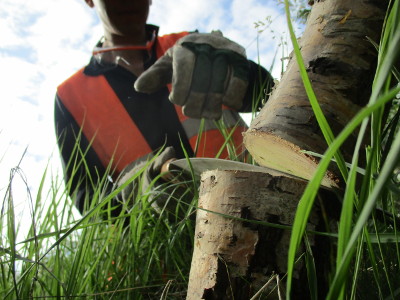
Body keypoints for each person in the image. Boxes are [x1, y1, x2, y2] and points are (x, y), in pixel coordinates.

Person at [54, 0, 274, 218]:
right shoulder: (71, 96)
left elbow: (271, 97)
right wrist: (139, 190)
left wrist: (241, 72)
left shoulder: (190, 45)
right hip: (168, 241)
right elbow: (86, 196)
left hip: (262, 200)